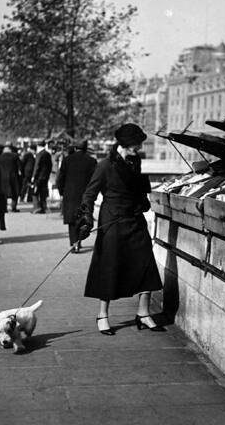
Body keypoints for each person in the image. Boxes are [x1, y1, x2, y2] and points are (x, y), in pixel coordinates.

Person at [79, 123, 165, 335]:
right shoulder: (105, 165)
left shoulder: (136, 161)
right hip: (113, 222)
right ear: (126, 144)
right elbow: (89, 194)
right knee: (109, 266)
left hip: (134, 219)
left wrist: (143, 198)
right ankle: (102, 315)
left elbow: (138, 189)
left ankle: (143, 314)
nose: (139, 148)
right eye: (136, 144)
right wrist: (86, 219)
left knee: (146, 265)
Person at [57, 140, 97, 253]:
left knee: (72, 220)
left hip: (69, 194)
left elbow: (60, 178)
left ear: (75, 148)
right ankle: (79, 241)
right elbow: (95, 180)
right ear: (85, 149)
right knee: (83, 218)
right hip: (85, 195)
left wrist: (61, 191)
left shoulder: (67, 160)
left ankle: (74, 243)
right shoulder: (91, 161)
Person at [31, 139, 52, 214]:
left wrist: (33, 176)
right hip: (45, 176)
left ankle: (37, 207)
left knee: (35, 191)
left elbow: (37, 166)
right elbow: (50, 166)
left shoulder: (39, 154)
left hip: (39, 176)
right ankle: (44, 207)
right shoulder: (47, 154)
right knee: (43, 192)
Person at [0, 142, 22, 212]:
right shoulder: (15, 156)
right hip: (13, 176)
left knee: (3, 193)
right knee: (15, 192)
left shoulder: (0, 156)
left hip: (3, 177)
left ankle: (4, 208)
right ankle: (13, 207)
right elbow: (20, 168)